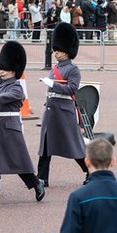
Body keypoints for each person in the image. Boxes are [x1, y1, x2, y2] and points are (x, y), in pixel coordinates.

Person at [0, 41, 45, 203]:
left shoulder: (17, 88)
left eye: (5, 69)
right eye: (1, 69)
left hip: (10, 129)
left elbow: (3, 99)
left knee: (18, 161)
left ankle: (36, 183)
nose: (2, 72)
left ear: (14, 70)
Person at [37, 22, 89, 186]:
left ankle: (91, 172)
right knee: (45, 145)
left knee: (74, 146)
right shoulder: (55, 68)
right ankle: (41, 178)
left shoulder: (73, 70)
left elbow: (72, 89)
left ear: (67, 51)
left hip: (64, 111)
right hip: (51, 111)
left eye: (59, 50)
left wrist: (53, 85)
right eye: (55, 49)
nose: (56, 52)